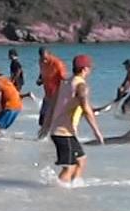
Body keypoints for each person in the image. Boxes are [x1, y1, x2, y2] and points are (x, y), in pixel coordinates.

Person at [38, 54, 105, 185]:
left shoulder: (65, 83)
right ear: (85, 69)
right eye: (89, 68)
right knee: (69, 167)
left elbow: (52, 104)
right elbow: (86, 109)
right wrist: (96, 132)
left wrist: (46, 125)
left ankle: (73, 186)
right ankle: (58, 191)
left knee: (81, 160)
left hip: (62, 132)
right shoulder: (81, 86)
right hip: (63, 133)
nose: (90, 71)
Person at [35, 47, 67, 139]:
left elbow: (64, 80)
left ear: (50, 55)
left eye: (46, 58)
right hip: (47, 94)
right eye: (42, 58)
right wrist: (40, 79)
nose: (44, 61)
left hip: (57, 95)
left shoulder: (57, 64)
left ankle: (50, 137)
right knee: (42, 118)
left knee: (50, 117)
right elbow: (42, 72)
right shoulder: (41, 62)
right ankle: (44, 137)